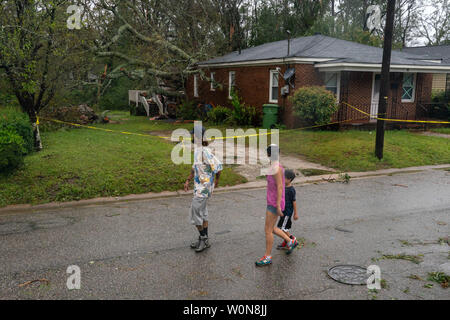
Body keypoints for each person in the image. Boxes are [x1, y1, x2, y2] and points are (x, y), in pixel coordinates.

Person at [256, 145, 299, 267]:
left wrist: (278, 205)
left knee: (268, 230)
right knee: (272, 228)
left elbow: (280, 186)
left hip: (274, 203)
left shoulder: (276, 168)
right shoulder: (274, 167)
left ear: (268, 154)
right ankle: (290, 241)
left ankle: (268, 257)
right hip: (272, 201)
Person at [184, 125, 223, 252]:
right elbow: (194, 167)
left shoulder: (205, 152)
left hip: (204, 189)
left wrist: (216, 181)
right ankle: (204, 240)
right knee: (203, 214)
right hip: (198, 187)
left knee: (194, 214)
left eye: (193, 135)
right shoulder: (197, 150)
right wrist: (188, 180)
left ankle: (203, 238)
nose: (191, 137)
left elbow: (218, 167)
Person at [276, 169, 299, 250]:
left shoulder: (291, 190)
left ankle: (291, 240)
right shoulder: (283, 187)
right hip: (282, 211)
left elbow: (294, 201)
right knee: (282, 227)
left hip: (287, 212)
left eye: (283, 178)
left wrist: (295, 213)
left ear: (289, 180)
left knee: (281, 228)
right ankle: (287, 240)